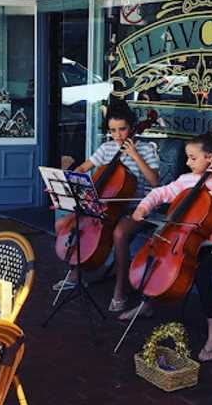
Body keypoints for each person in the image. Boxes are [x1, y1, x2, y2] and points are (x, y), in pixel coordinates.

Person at [131, 131, 212, 361]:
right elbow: (160, 192)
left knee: (201, 274)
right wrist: (144, 207)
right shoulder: (186, 180)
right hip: (188, 243)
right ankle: (145, 304)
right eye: (187, 157)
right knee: (160, 259)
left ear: (210, 158)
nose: (187, 162)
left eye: (193, 157)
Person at [52, 100, 160, 314]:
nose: (118, 135)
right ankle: (76, 272)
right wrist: (72, 177)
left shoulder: (147, 149)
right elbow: (85, 167)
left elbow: (155, 182)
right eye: (113, 130)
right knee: (63, 224)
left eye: (122, 129)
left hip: (137, 208)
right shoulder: (106, 148)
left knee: (120, 234)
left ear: (131, 128)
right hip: (105, 207)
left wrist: (135, 156)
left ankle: (120, 289)